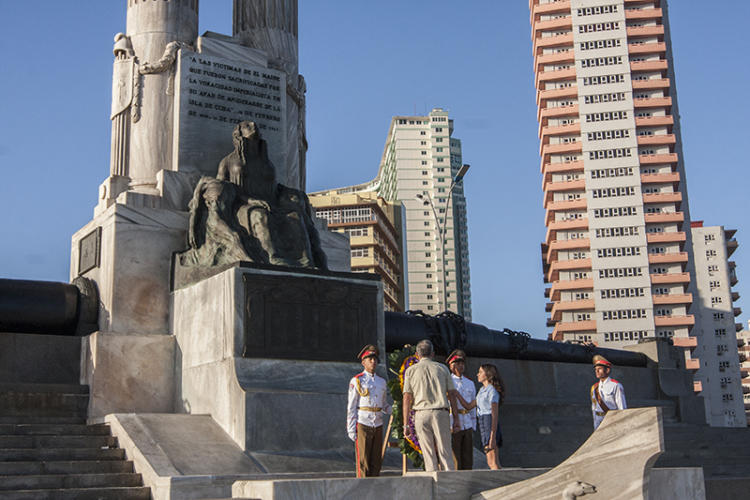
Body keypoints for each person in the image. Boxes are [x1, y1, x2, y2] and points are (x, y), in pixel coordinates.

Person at [402, 340, 461, 472]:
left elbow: (407, 398)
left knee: (428, 455)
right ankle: (449, 485)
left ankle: (432, 484)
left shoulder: (410, 371)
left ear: (417, 355)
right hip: (440, 412)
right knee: (445, 452)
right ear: (433, 354)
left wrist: (406, 424)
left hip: (421, 413)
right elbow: (451, 394)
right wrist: (456, 418)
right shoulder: (442, 368)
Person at [346, 344, 390, 477]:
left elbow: (383, 405)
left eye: (375, 359)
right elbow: (352, 406)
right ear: (363, 362)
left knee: (376, 462)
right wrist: (351, 428)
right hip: (363, 423)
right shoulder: (357, 380)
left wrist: (394, 410)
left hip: (378, 423)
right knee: (363, 462)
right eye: (370, 359)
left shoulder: (382, 382)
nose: (373, 361)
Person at [456, 364, 504, 470]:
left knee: (493, 461)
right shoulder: (482, 390)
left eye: (480, 372)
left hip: (489, 421)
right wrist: (456, 394)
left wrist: (492, 436)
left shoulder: (492, 391)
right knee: (490, 460)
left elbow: (494, 415)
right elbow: (469, 406)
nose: (478, 374)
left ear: (488, 374)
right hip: (482, 420)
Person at [446, 349, 476, 470]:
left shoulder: (470, 383)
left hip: (467, 421)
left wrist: (473, 424)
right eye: (457, 363)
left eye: (462, 363)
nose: (460, 366)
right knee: (455, 457)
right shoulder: (448, 381)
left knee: (468, 457)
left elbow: (473, 404)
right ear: (451, 365)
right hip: (453, 421)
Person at [590, 354, 626, 430]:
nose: (596, 371)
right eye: (595, 369)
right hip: (598, 420)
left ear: (607, 370)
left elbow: (621, 407)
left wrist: (621, 424)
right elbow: (594, 408)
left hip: (611, 419)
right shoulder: (594, 387)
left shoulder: (616, 385)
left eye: (599, 369)